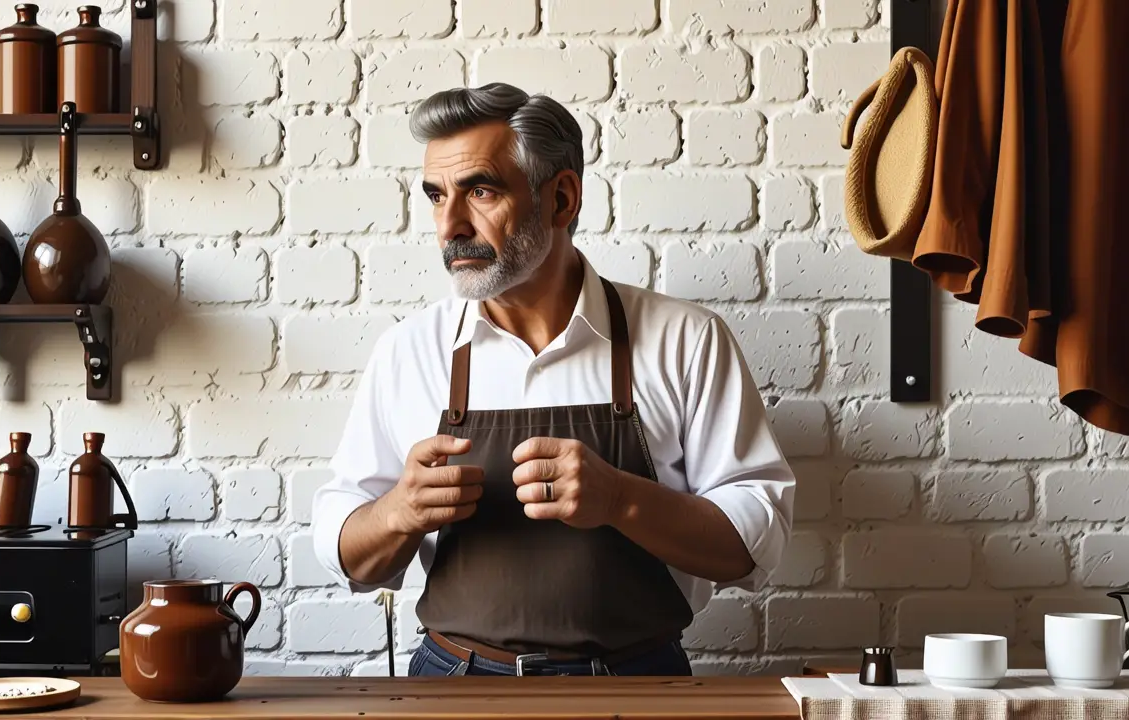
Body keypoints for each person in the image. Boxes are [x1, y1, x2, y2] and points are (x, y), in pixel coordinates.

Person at [312, 82, 796, 677]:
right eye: (437, 196)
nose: (450, 226)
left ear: (562, 199)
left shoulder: (686, 340)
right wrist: (398, 512)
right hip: (453, 689)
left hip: (639, 687)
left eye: (480, 191)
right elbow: (346, 554)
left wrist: (620, 499)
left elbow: (757, 543)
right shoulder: (409, 352)